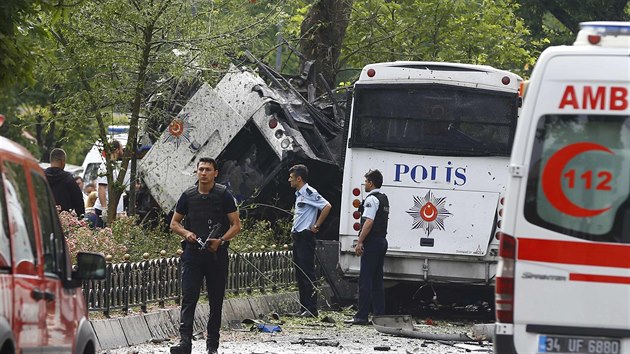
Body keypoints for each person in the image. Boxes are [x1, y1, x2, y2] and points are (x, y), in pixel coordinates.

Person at [170, 157, 241, 354]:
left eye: (208, 169)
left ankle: (212, 346)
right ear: (196, 172)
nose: (203, 173)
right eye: (200, 169)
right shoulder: (188, 195)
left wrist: (222, 241)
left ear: (215, 173)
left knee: (215, 300)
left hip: (216, 255)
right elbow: (174, 223)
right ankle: (185, 343)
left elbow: (236, 225)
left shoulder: (224, 195)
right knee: (189, 297)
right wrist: (187, 233)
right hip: (192, 254)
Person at [345, 169, 389, 325]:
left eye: (366, 182)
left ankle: (361, 316)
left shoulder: (371, 200)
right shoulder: (384, 198)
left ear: (371, 183)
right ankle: (379, 316)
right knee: (377, 280)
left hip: (372, 242)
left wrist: (360, 241)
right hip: (382, 241)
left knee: (365, 280)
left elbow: (368, 222)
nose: (364, 184)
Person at [288, 164, 332, 317]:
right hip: (298, 237)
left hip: (306, 237)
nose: (289, 180)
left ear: (299, 179)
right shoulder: (299, 194)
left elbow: (327, 206)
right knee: (300, 273)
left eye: (292, 178)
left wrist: (316, 225)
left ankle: (312, 308)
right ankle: (303, 307)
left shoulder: (309, 192)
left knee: (308, 273)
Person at [44, 148, 85, 217]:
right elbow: (79, 202)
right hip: (64, 222)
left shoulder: (41, 176)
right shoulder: (68, 179)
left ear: (50, 161)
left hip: (45, 218)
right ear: (63, 161)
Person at [93, 140, 124, 227]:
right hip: (106, 210)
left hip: (112, 209)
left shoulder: (114, 166)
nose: (123, 150)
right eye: (121, 148)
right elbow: (101, 188)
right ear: (117, 150)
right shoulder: (105, 167)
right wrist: (104, 209)